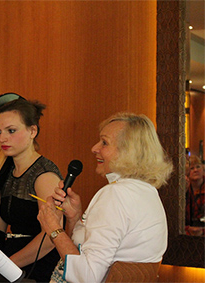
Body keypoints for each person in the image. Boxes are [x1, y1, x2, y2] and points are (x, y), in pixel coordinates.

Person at [37, 112, 173, 283]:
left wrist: (53, 228)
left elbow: (88, 277)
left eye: (104, 142)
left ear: (127, 151)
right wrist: (74, 218)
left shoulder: (116, 194)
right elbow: (87, 252)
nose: (94, 148)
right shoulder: (148, 192)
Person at [0, 98, 63, 282]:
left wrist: (7, 265)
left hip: (38, 264)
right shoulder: (4, 173)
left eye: (11, 131)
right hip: (9, 259)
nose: (2, 138)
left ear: (32, 131)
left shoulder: (44, 175)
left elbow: (51, 237)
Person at [185, 155, 205, 236]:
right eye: (192, 168)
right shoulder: (184, 190)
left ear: (203, 170)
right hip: (187, 234)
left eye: (198, 167)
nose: (196, 170)